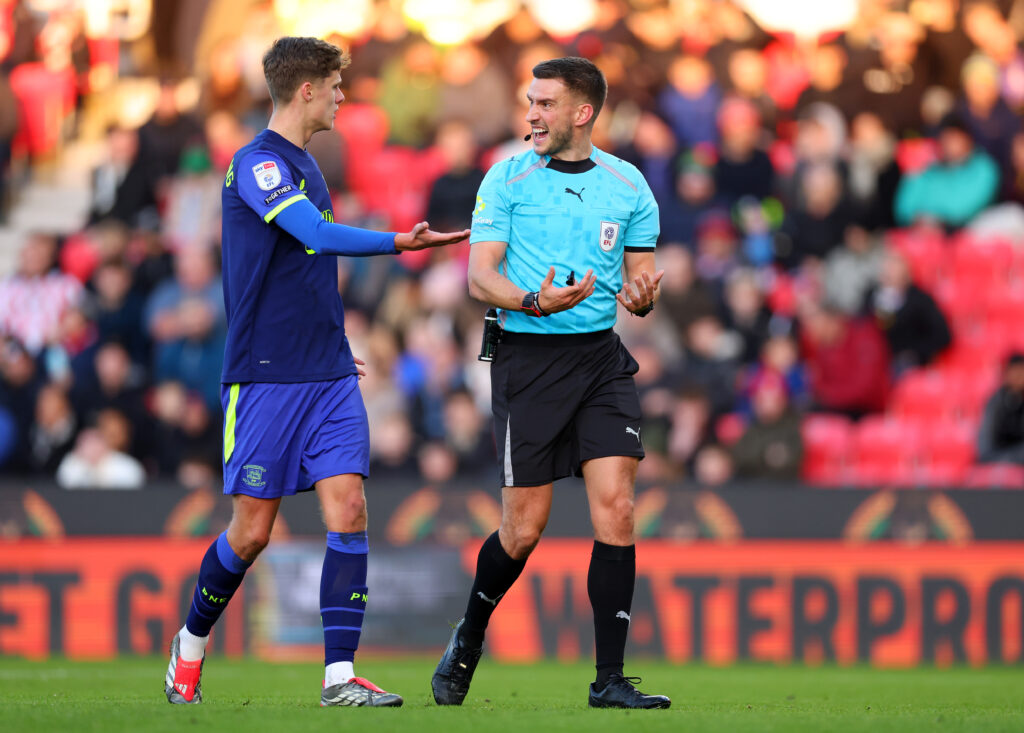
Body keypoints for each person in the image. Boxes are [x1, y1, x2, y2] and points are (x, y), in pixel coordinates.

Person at [163, 37, 469, 708]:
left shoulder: (308, 164)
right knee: (251, 530)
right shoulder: (258, 165)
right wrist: (399, 240)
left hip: (326, 371)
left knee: (350, 507)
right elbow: (316, 236)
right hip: (265, 375)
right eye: (335, 86)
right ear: (306, 90)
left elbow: (306, 275)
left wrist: (329, 341)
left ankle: (339, 675)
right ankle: (189, 644)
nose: (342, 96)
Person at [431, 56, 670, 710]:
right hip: (528, 358)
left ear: (583, 112)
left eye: (544, 103)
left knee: (618, 505)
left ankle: (610, 680)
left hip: (598, 358)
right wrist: (533, 303)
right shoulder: (506, 177)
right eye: (529, 101)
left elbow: (639, 282)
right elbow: (479, 276)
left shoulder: (628, 186)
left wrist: (644, 297)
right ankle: (469, 636)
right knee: (523, 528)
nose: (531, 113)